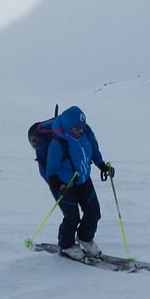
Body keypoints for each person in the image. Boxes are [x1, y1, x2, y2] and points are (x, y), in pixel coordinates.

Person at [43, 106, 115, 261]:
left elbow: (93, 151)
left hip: (83, 179)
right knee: (72, 217)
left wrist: (102, 165)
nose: (81, 131)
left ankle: (84, 238)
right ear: (68, 127)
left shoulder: (85, 134)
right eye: (77, 129)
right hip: (64, 185)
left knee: (94, 212)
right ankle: (66, 245)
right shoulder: (58, 143)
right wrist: (58, 187)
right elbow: (51, 170)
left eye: (82, 128)